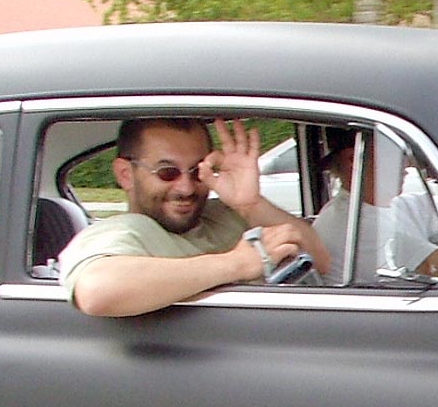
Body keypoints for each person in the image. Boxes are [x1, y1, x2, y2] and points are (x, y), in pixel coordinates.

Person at [58, 117, 327, 316]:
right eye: (167, 172)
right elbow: (96, 290)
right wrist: (238, 263)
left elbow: (321, 261)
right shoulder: (124, 232)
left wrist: (250, 204)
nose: (186, 188)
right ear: (126, 174)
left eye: (197, 171)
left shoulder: (225, 215)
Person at [312, 128, 438, 284]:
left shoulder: (387, 206)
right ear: (354, 159)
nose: (406, 164)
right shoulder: (355, 227)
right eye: (395, 151)